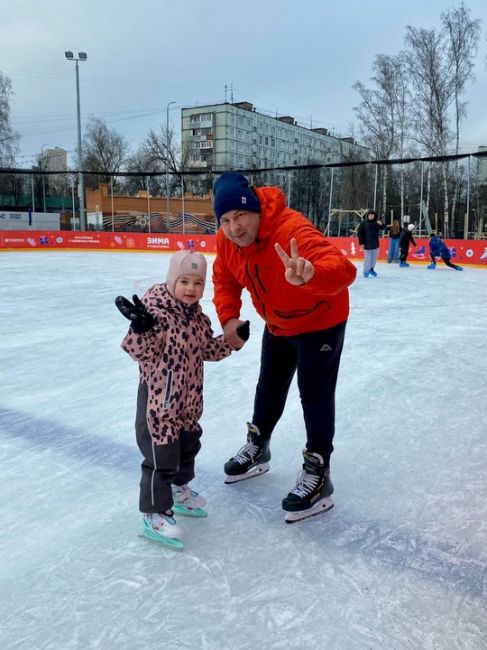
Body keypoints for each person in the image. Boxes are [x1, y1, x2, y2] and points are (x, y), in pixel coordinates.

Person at [211, 171, 357, 523]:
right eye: (226, 219)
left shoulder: (290, 229)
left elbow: (342, 268)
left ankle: (318, 470)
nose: (234, 227)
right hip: (278, 321)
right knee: (270, 385)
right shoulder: (227, 241)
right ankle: (258, 446)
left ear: (255, 209)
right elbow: (224, 279)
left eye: (240, 216)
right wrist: (229, 318)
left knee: (314, 393)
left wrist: (311, 274)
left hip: (321, 319)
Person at [116, 249, 249, 549]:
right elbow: (138, 351)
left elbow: (207, 351)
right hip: (158, 404)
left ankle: (179, 490)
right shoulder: (155, 316)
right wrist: (140, 328)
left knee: (187, 449)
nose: (191, 289)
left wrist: (232, 341)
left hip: (188, 405)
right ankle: (153, 512)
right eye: (184, 281)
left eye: (197, 283)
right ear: (172, 280)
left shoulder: (198, 320)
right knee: (160, 459)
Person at [356, 210, 385, 277]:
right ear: (367, 216)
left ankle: (371, 269)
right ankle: (366, 271)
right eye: (369, 215)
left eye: (372, 215)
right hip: (367, 244)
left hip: (375, 244)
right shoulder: (363, 223)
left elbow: (383, 228)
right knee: (368, 259)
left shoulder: (376, 222)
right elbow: (359, 233)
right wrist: (361, 243)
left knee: (374, 258)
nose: (371, 216)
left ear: (374, 216)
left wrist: (382, 224)